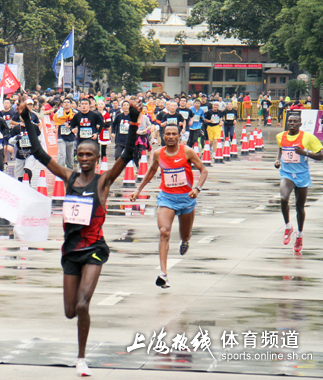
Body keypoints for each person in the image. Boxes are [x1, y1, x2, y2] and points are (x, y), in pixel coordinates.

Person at [20, 98, 140, 377]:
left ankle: (81, 358)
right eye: (81, 155)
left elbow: (128, 153)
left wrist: (133, 122)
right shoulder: (69, 177)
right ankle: (79, 337)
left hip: (95, 249)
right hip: (71, 250)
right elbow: (38, 152)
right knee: (70, 312)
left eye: (90, 155)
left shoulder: (104, 181)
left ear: (97, 158)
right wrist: (26, 119)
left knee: (84, 304)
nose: (85, 159)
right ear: (77, 157)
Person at [130, 125, 208, 288]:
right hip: (166, 198)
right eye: (168, 134)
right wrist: (138, 190)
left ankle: (185, 241)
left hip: (187, 198)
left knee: (184, 235)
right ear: (163, 137)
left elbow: (203, 170)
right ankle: (163, 274)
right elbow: (151, 171)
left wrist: (197, 188)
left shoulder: (187, 152)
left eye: (174, 134)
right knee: (164, 232)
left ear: (179, 136)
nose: (171, 136)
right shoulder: (159, 154)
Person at [275, 113, 323, 254]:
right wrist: (278, 160)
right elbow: (281, 148)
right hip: (287, 174)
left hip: (302, 176)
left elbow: (321, 155)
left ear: (300, 124)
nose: (292, 124)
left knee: (299, 207)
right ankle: (288, 226)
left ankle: (299, 235)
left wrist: (305, 152)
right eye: (290, 121)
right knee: (283, 199)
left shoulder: (307, 137)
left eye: (295, 122)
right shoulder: (281, 136)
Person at [53, 98, 76, 169]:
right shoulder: (59, 113)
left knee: (70, 156)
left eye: (68, 102)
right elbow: (56, 121)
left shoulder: (74, 114)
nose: (66, 103)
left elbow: (77, 124)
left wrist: (73, 128)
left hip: (71, 137)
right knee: (62, 154)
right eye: (65, 102)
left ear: (71, 104)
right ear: (62, 104)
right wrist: (55, 128)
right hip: (61, 136)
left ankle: (70, 172)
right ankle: (60, 170)